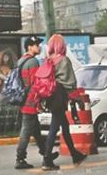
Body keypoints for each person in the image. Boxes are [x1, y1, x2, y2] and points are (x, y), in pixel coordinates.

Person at [41, 34, 86, 171]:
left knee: (64, 126)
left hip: (51, 97)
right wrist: (76, 98)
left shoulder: (48, 60)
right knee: (54, 127)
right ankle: (47, 159)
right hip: (60, 97)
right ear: (62, 46)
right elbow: (70, 83)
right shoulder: (64, 60)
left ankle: (75, 154)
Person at [14, 37, 48, 170]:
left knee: (36, 130)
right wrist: (38, 102)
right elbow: (35, 84)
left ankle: (46, 153)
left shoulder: (21, 60)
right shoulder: (33, 62)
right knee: (26, 131)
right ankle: (20, 158)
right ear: (29, 47)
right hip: (30, 102)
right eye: (36, 45)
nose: (39, 47)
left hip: (23, 100)